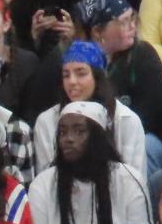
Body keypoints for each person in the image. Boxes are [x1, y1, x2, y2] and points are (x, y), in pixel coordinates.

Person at [27, 103, 152, 224]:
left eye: (79, 131)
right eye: (62, 132)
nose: (68, 139)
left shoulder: (129, 179)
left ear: (98, 138)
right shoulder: (42, 185)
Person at [79, 0, 162, 152]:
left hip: (140, 137)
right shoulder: (76, 59)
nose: (132, 26)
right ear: (97, 31)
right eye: (123, 22)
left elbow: (147, 118)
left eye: (133, 18)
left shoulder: (143, 54)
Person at [35, 39, 144, 170]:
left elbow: (136, 181)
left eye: (81, 73)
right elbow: (47, 179)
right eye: (66, 75)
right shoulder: (46, 121)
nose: (72, 81)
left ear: (97, 77)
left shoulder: (127, 120)